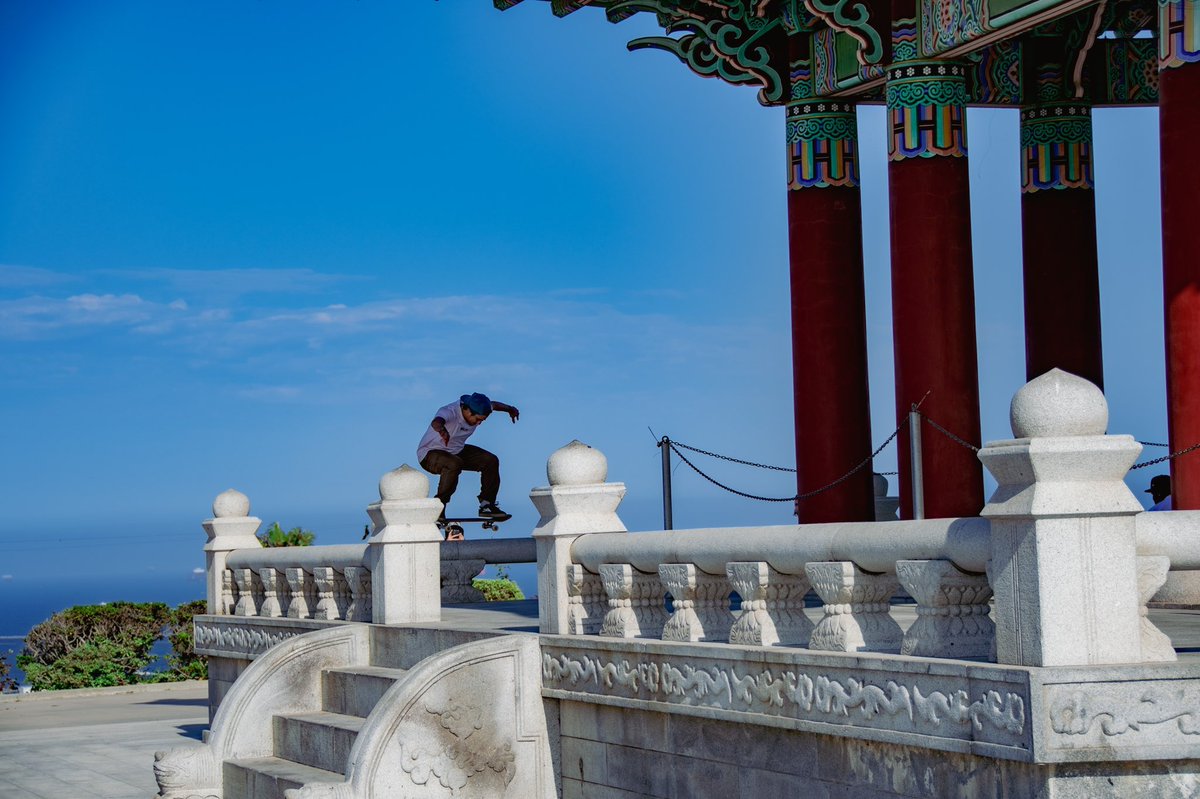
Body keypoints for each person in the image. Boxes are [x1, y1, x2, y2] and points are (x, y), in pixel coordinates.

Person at [417, 392, 520, 526]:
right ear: (468, 411)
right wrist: (442, 430)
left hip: (456, 451)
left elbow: (494, 405)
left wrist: (510, 409)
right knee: (454, 463)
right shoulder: (449, 412)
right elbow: (437, 421)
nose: (479, 423)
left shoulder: (480, 407)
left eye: (482, 420)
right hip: (429, 455)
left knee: (490, 460)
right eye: (477, 420)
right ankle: (439, 507)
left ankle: (487, 504)